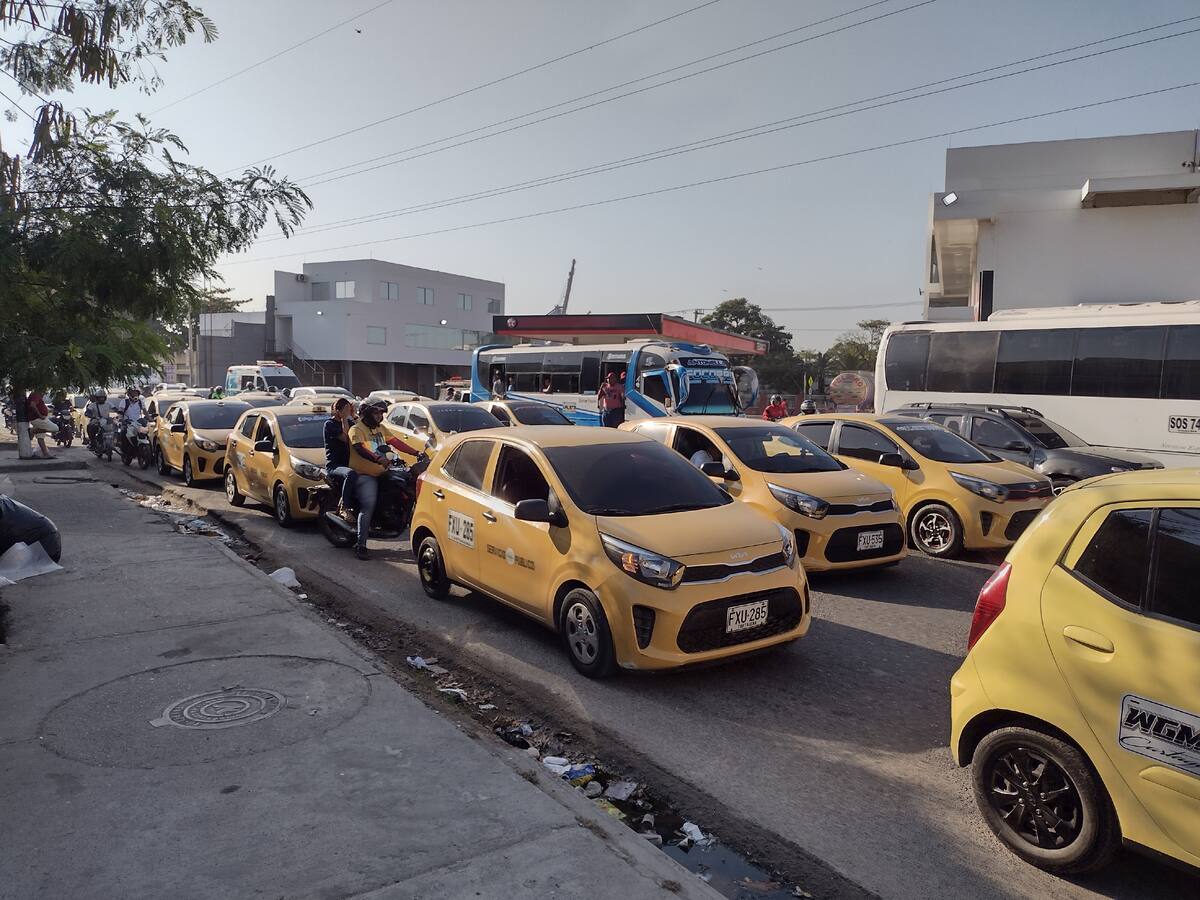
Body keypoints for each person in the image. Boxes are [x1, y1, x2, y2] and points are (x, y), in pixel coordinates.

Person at [347, 399, 422, 561]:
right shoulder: (356, 429)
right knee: (368, 505)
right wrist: (377, 459)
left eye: (381, 413)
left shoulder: (381, 429)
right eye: (377, 413)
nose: (380, 416)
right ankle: (361, 545)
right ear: (367, 413)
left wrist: (417, 453)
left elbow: (396, 443)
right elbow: (360, 449)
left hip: (383, 472)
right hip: (365, 475)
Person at [323, 398, 358, 524]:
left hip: (350, 463)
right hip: (335, 466)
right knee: (351, 474)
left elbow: (360, 432)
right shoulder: (330, 424)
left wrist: (354, 416)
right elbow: (347, 438)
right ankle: (344, 506)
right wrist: (344, 418)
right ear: (337, 411)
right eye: (346, 410)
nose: (348, 412)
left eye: (349, 409)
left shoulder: (350, 422)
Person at [25, 388, 58, 458]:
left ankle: (46, 454)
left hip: (39, 419)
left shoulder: (35, 395)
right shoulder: (36, 395)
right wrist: (40, 415)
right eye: (44, 392)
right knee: (55, 428)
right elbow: (32, 405)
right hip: (38, 419)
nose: (44, 394)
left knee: (40, 437)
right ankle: (33, 430)